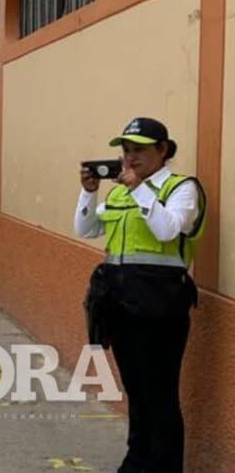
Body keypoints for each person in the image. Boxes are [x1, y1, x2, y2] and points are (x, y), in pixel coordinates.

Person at [75, 117, 204, 473]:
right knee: (135, 389)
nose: (130, 158)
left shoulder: (182, 188)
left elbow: (167, 230)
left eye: (139, 150)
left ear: (163, 150)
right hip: (119, 305)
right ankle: (137, 461)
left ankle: (164, 466)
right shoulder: (119, 191)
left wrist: (140, 189)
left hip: (161, 308)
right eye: (126, 150)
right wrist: (88, 192)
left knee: (160, 393)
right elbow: (86, 228)